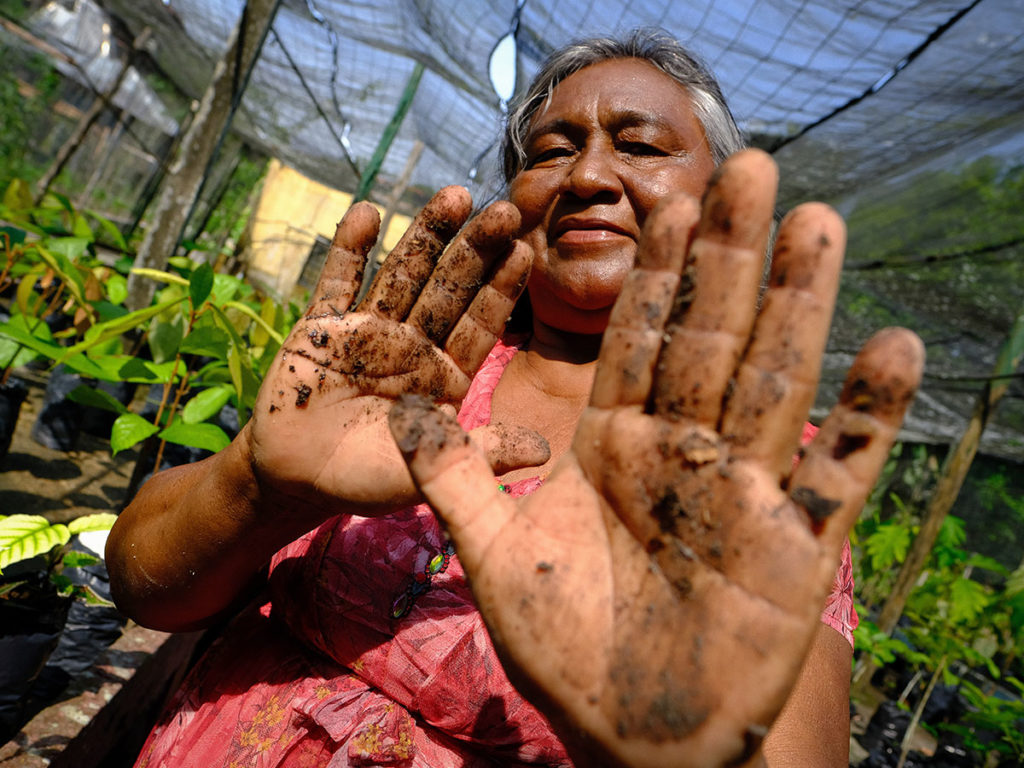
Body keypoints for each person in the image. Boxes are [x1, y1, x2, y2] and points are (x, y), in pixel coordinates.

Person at [107, 29, 923, 768]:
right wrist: (260, 483)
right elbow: (142, 584)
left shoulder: (754, 473)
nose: (589, 175)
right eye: (550, 151)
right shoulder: (404, 377)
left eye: (639, 144)